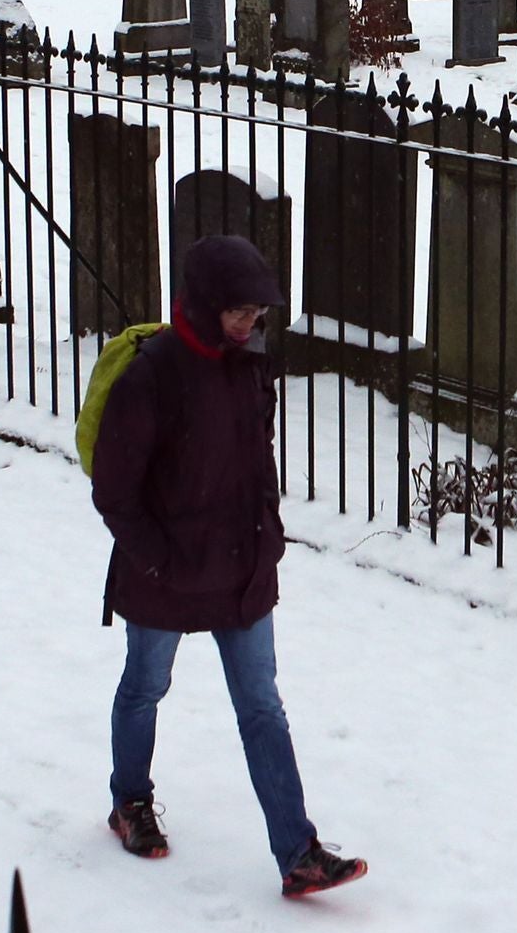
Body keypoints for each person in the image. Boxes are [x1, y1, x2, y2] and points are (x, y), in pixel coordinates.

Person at [90, 233, 366, 899]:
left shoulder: (248, 366)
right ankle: (130, 802)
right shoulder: (152, 373)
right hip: (167, 571)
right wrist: (156, 561)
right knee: (145, 688)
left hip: (241, 565)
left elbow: (254, 459)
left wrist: (266, 534)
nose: (249, 324)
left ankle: (297, 852)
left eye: (258, 314)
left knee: (262, 707)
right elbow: (114, 488)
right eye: (238, 312)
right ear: (208, 303)